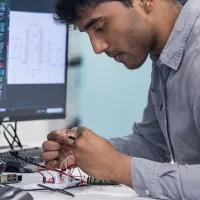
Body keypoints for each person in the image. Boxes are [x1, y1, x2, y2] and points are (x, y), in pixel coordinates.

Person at [42, 0, 200, 199]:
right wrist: (84, 153)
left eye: (100, 27)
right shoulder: (165, 57)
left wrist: (119, 167)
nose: (97, 48)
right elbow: (152, 143)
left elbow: (123, 165)